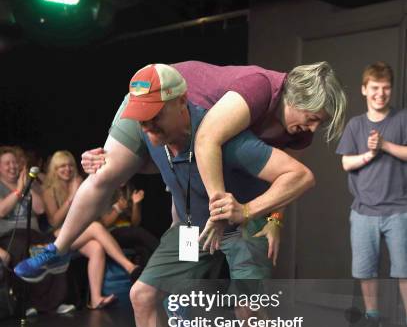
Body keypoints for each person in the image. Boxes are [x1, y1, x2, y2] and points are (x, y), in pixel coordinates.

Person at [15, 64, 315, 327]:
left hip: (240, 226)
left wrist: (257, 212)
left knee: (253, 308)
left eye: (155, 116)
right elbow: (139, 165)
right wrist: (102, 162)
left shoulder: (227, 137)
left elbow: (297, 174)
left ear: (181, 104)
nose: (148, 126)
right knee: (142, 294)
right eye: (142, 119)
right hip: (192, 231)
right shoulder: (154, 133)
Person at [83, 60, 347, 261]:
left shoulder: (295, 135)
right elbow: (203, 139)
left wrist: (273, 221)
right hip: (198, 156)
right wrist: (109, 159)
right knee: (184, 217)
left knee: (239, 278)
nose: (312, 129)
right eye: (312, 119)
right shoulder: (253, 91)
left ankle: (193, 289)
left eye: (318, 124)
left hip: (229, 181)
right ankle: (184, 290)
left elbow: (290, 180)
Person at [337, 62, 407, 327]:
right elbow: (345, 163)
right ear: (364, 89)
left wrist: (385, 146)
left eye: (386, 88)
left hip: (400, 209)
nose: (381, 93)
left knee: (405, 270)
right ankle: (373, 321)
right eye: (375, 88)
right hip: (363, 211)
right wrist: (368, 154)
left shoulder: (402, 120)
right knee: (366, 271)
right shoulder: (356, 125)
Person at [43, 150, 141, 309]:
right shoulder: (49, 191)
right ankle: (129, 267)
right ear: (54, 169)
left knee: (96, 247)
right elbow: (54, 221)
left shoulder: (80, 182)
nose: (67, 169)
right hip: (57, 236)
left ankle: (95, 299)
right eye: (62, 166)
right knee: (95, 227)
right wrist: (72, 197)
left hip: (80, 233)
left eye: (70, 165)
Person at [0, 146, 72, 316]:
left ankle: (55, 303)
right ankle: (28, 304)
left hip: (34, 233)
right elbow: (2, 210)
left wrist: (26, 186)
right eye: (7, 163)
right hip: (10, 236)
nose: (12, 166)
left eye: (15, 163)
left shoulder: (28, 183)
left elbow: (39, 209)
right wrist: (18, 191)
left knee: (53, 249)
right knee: (22, 250)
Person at [100, 182, 159, 268]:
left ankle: (143, 278)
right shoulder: (105, 191)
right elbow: (105, 223)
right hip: (111, 233)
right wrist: (118, 209)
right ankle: (166, 256)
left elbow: (135, 223)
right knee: (139, 233)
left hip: (129, 232)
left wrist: (136, 204)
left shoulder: (130, 189)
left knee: (144, 250)